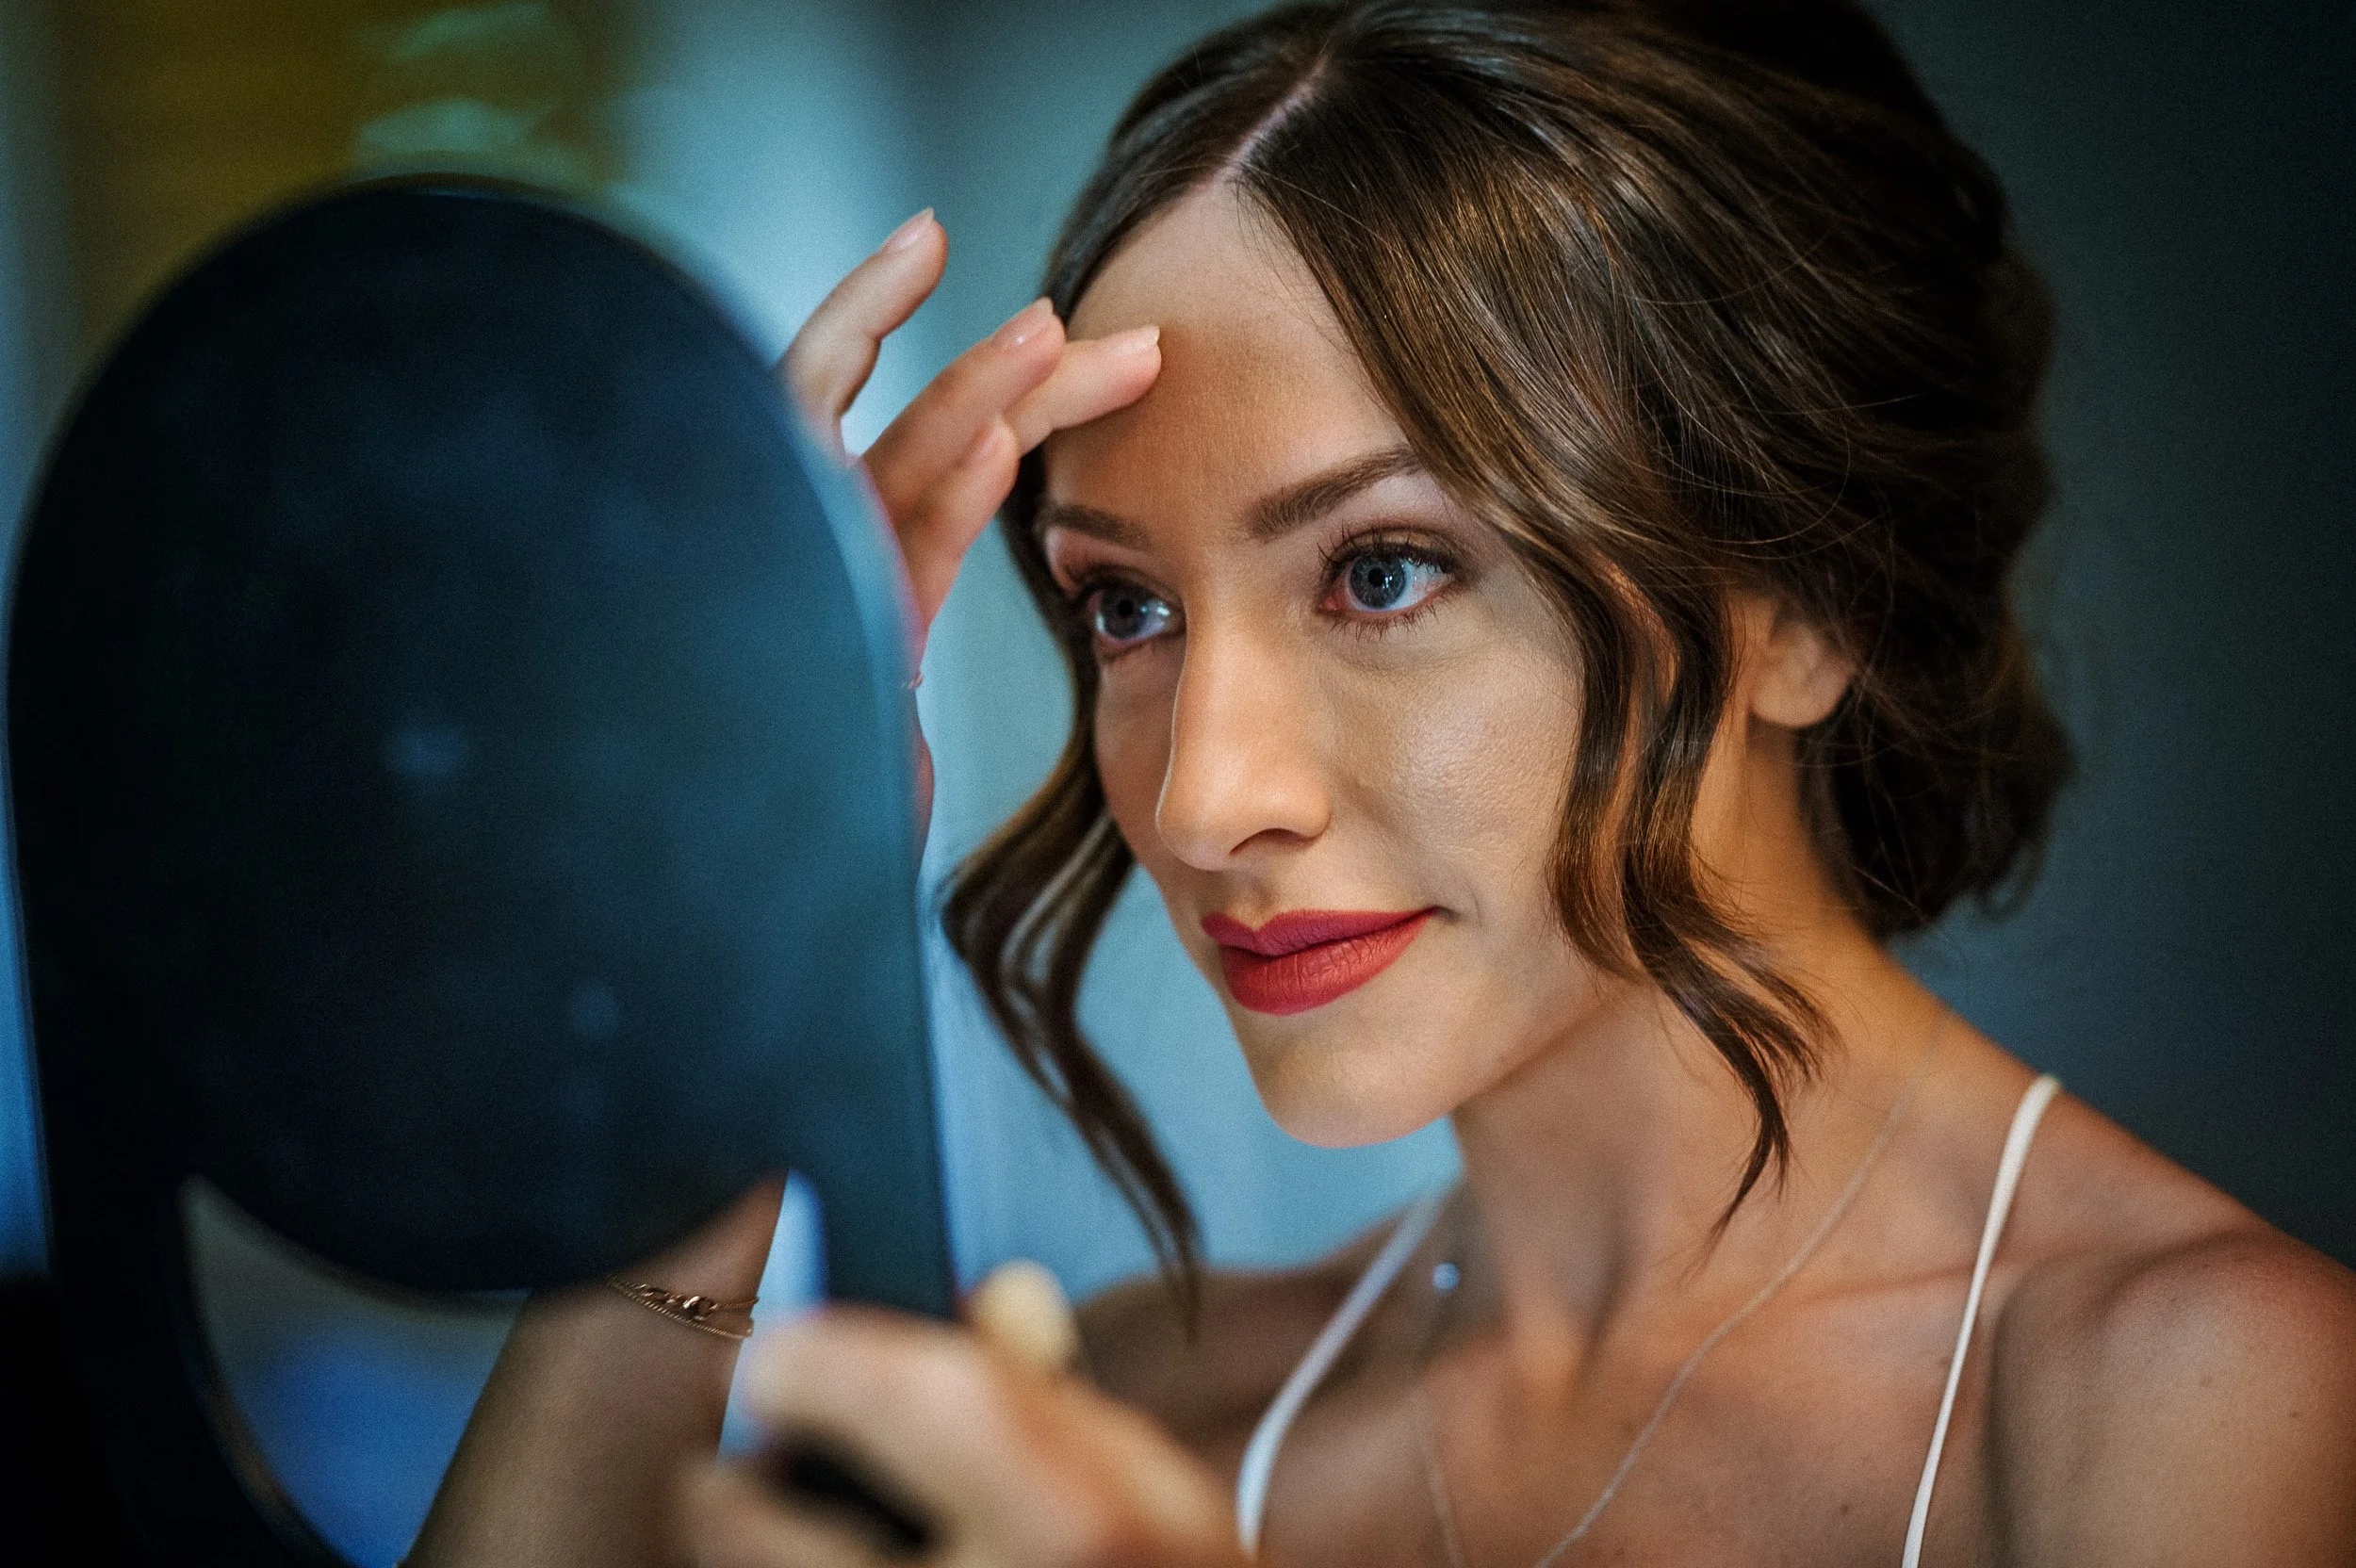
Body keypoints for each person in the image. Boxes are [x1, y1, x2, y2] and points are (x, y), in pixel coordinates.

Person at [412, 4, 2356, 1564]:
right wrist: (742, 938)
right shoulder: (1141, 1405)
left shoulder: (2202, 1407)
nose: (1197, 805)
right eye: (1123, 607)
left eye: (1381, 569)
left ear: (1805, 601)